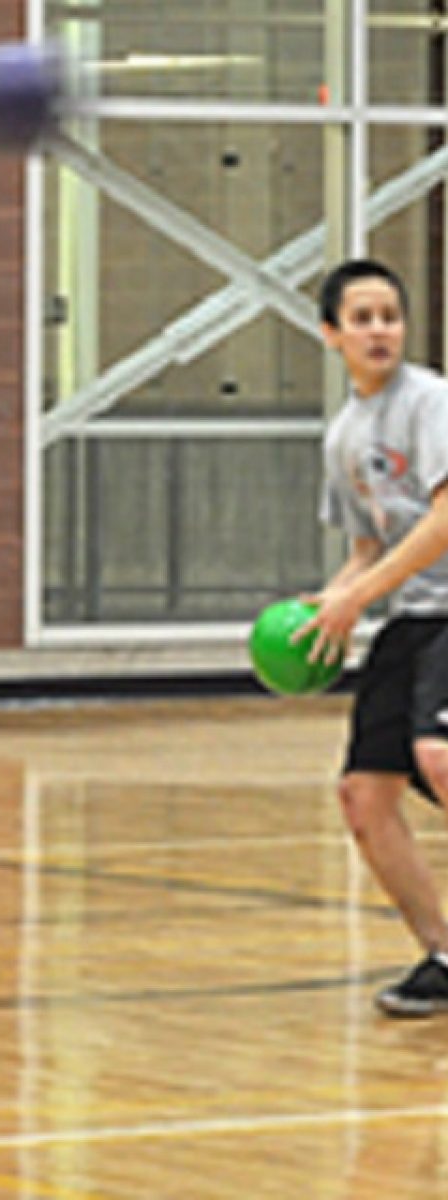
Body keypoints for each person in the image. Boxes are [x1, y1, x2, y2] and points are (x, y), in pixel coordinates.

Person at [300, 257, 448, 1017]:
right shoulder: (344, 436)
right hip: (410, 618)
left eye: (389, 314)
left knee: (439, 756)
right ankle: (443, 955)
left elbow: (444, 519)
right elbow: (368, 545)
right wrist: (327, 603)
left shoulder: (431, 403)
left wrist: (361, 593)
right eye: (362, 318)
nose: (379, 329)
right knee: (364, 797)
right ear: (332, 335)